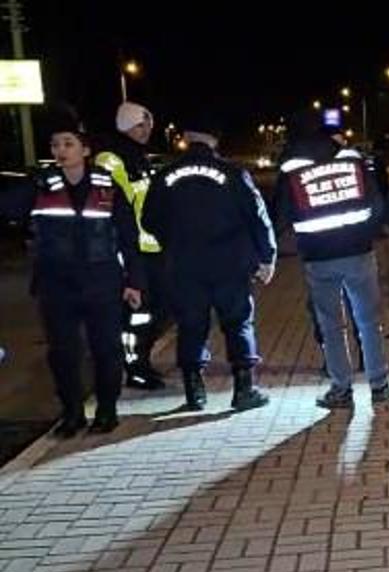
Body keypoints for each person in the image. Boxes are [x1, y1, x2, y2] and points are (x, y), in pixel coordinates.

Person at [0, 113, 144, 436]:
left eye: (68, 144)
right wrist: (29, 184)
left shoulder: (108, 187)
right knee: (63, 353)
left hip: (102, 282)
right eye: (55, 145)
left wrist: (134, 282)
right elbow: (7, 208)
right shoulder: (40, 185)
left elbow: (128, 236)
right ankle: (72, 413)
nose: (61, 150)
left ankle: (107, 410)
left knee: (106, 349)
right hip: (56, 285)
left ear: (85, 149)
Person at [141, 116, 274, 412]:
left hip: (184, 265)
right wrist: (266, 257)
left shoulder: (164, 176)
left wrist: (172, 241)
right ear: (214, 139)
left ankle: (194, 393)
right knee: (238, 323)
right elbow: (256, 217)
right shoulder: (233, 173)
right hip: (230, 264)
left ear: (186, 138)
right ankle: (244, 390)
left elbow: (149, 219)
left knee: (190, 326)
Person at [274, 115, 389, 409]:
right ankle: (379, 386)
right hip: (358, 253)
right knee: (368, 321)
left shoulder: (293, 169)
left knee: (331, 326)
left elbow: (281, 215)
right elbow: (377, 203)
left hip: (319, 258)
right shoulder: (353, 162)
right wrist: (365, 234)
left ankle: (341, 389)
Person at [96, 101, 169, 390]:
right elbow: (114, 208)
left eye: (149, 124)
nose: (146, 129)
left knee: (157, 311)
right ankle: (135, 368)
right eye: (140, 124)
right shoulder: (111, 159)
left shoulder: (140, 157)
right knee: (137, 314)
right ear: (125, 126)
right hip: (130, 249)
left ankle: (142, 362)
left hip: (151, 248)